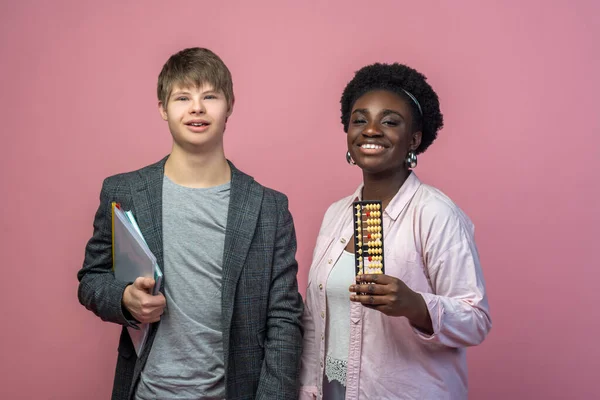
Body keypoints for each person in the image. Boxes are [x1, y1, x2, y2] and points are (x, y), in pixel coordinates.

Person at [77, 47, 303, 400]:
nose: (196, 107)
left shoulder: (269, 208)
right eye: (183, 97)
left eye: (209, 96)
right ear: (162, 109)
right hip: (146, 391)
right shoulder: (124, 192)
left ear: (229, 105)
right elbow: (91, 280)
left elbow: (285, 319)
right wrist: (124, 300)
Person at [299, 63, 492, 399]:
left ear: (413, 139)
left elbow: (476, 320)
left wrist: (415, 305)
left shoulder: (436, 213)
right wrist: (307, 387)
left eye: (389, 121)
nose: (371, 130)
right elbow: (313, 317)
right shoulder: (336, 214)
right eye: (360, 120)